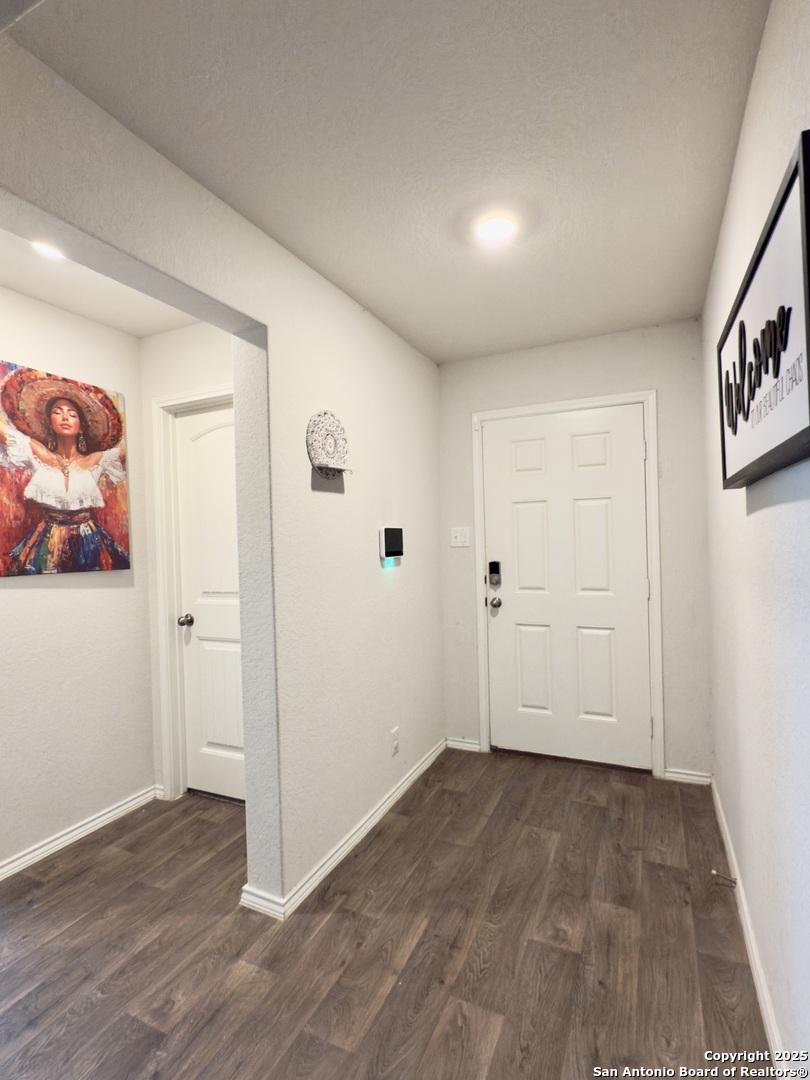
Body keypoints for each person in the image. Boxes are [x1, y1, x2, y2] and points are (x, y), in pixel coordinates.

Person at [0, 366, 130, 574]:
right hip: (46, 544)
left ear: (81, 424)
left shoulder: (96, 459)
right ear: (49, 421)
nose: (65, 417)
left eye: (72, 414)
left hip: (90, 543)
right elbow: (4, 433)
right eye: (57, 412)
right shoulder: (38, 452)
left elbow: (137, 447)